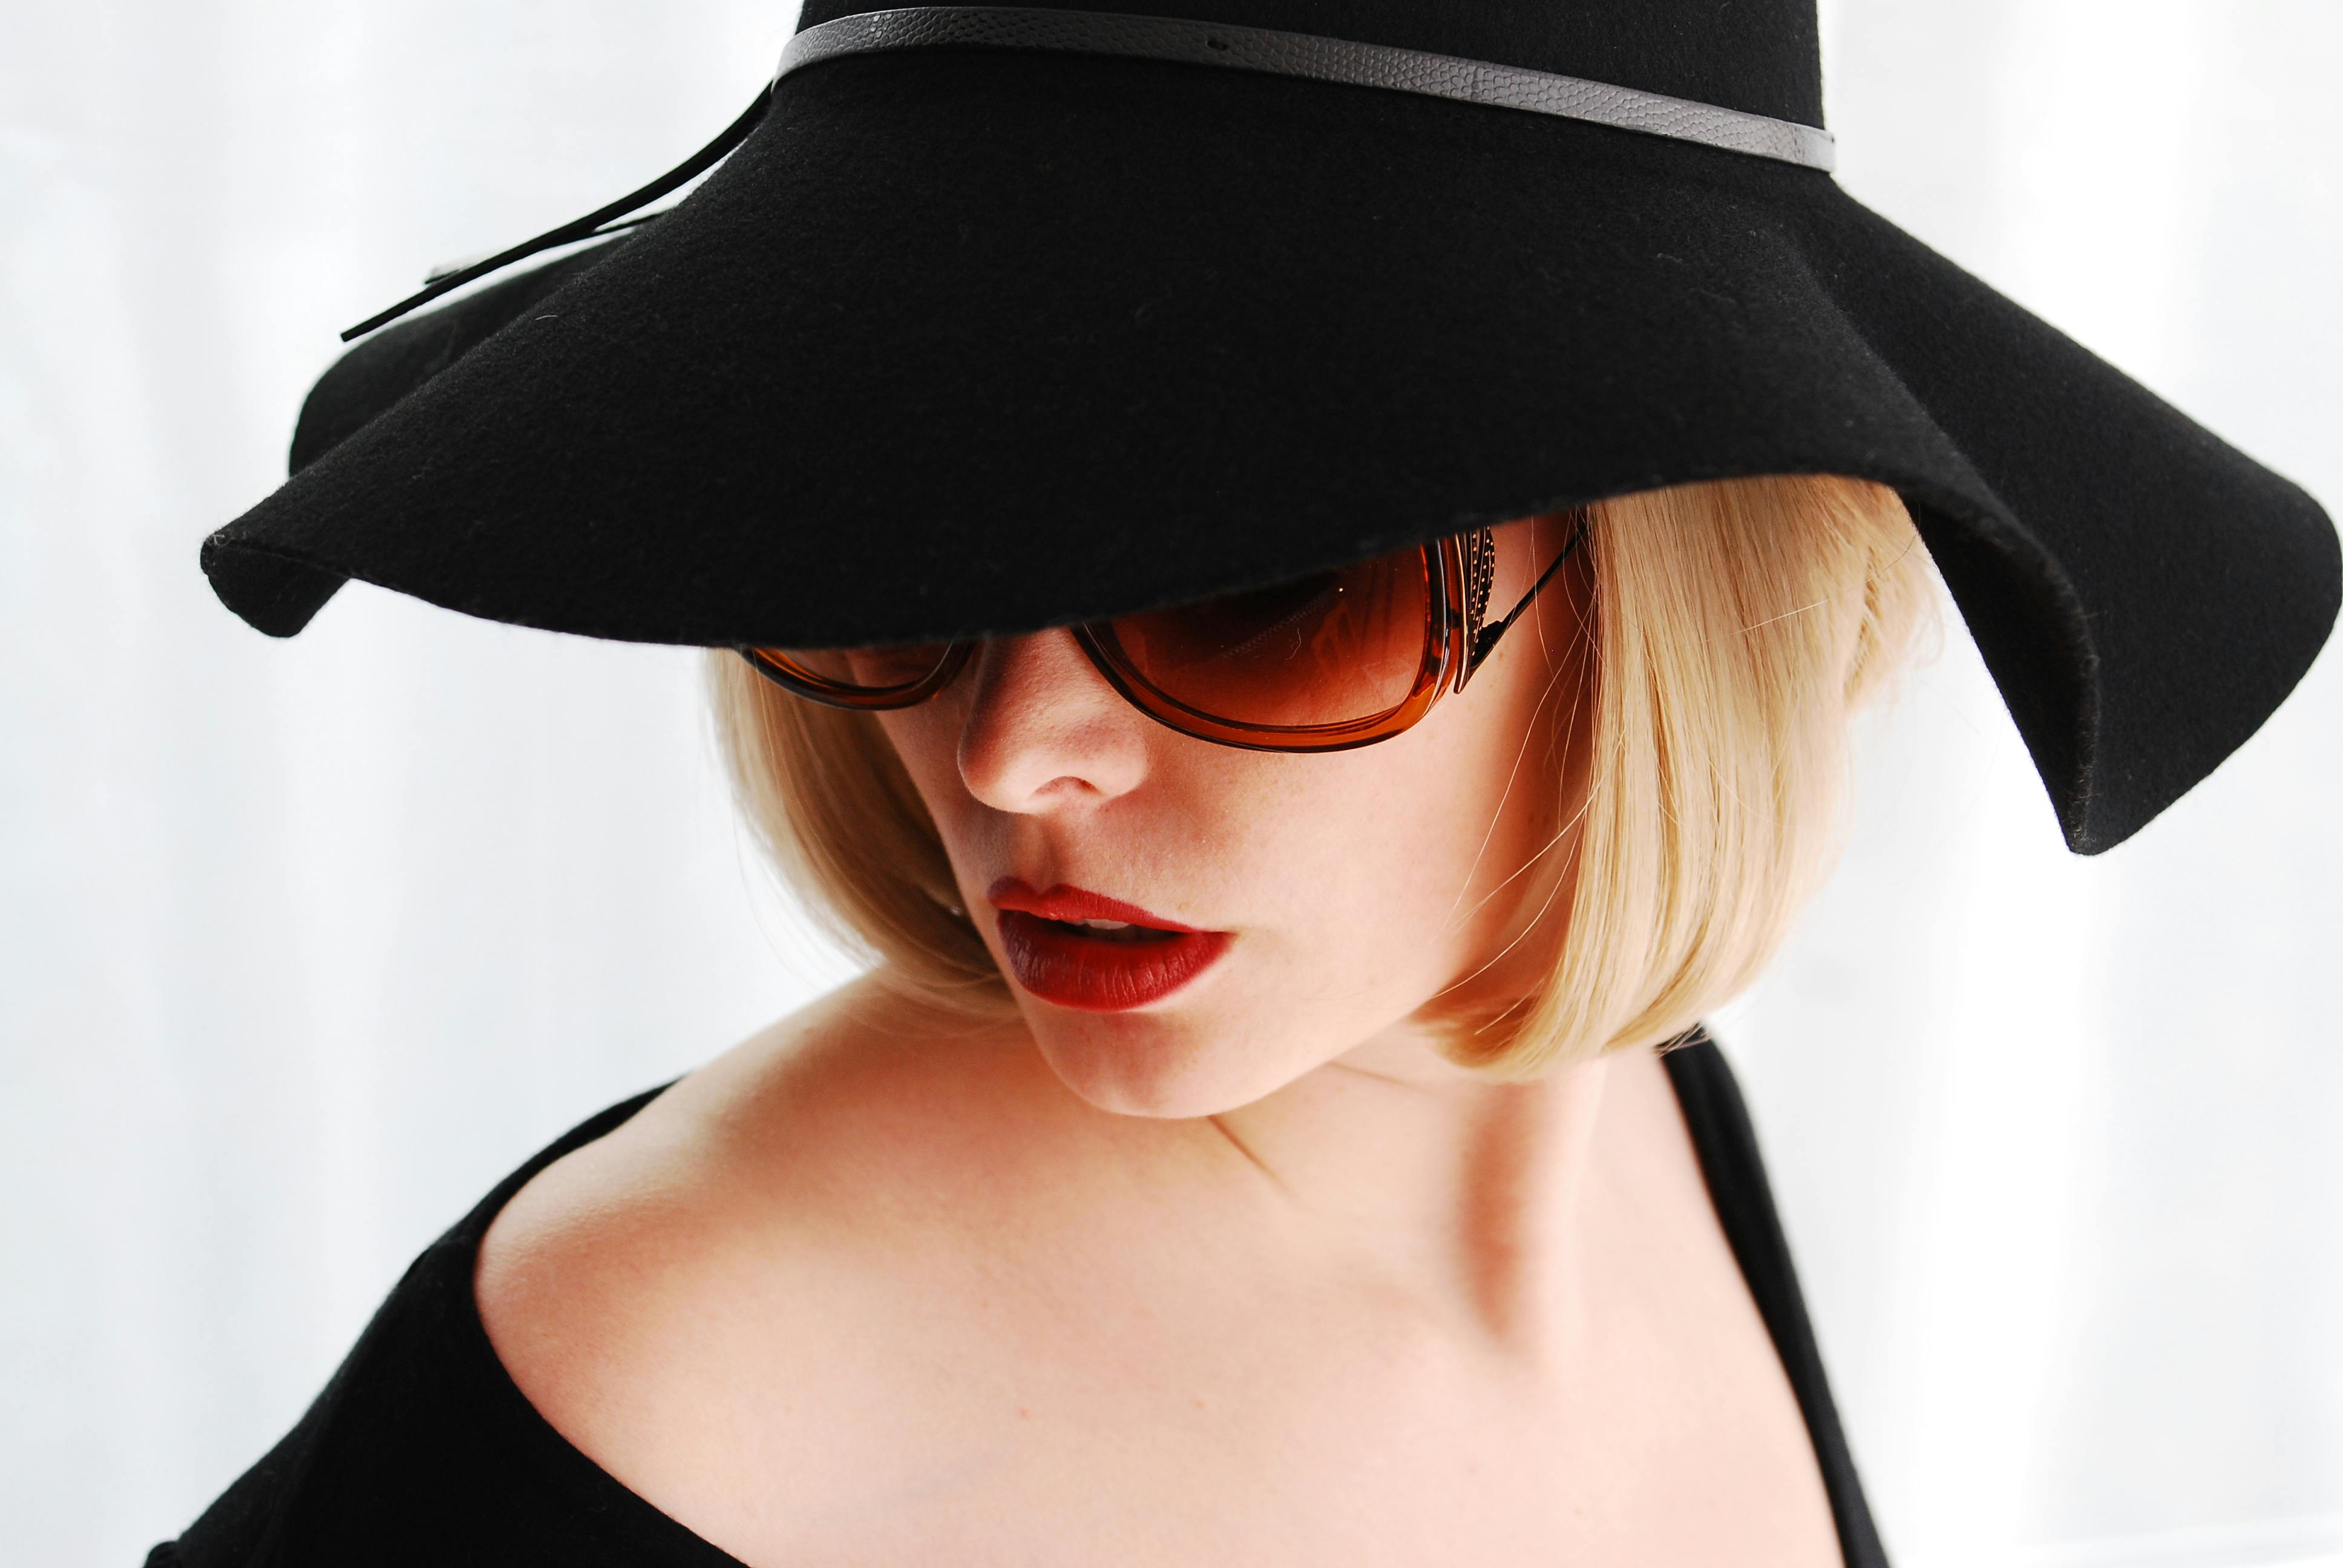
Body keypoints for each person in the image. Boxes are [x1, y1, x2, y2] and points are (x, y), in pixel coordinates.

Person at [155, 2, 2336, 1564]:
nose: (1012, 755)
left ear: (1680, 593)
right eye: (901, 554)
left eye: (1257, 584)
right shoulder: (682, 1385)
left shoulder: (1629, 1120)